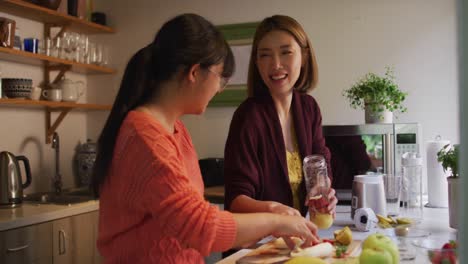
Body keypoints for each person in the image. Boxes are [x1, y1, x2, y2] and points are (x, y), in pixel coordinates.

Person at [91, 14, 319, 263]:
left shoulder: (176, 130)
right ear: (195, 73)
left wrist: (273, 216)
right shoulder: (145, 137)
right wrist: (277, 221)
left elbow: (194, 216)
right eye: (220, 76)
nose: (220, 87)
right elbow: (201, 227)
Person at [224, 15, 338, 220]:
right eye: (265, 55)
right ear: (257, 62)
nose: (276, 65)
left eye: (286, 52)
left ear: (303, 56)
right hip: (259, 243)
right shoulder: (248, 116)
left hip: (296, 239)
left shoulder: (309, 108)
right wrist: (276, 212)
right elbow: (236, 201)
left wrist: (323, 189)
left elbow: (321, 162)